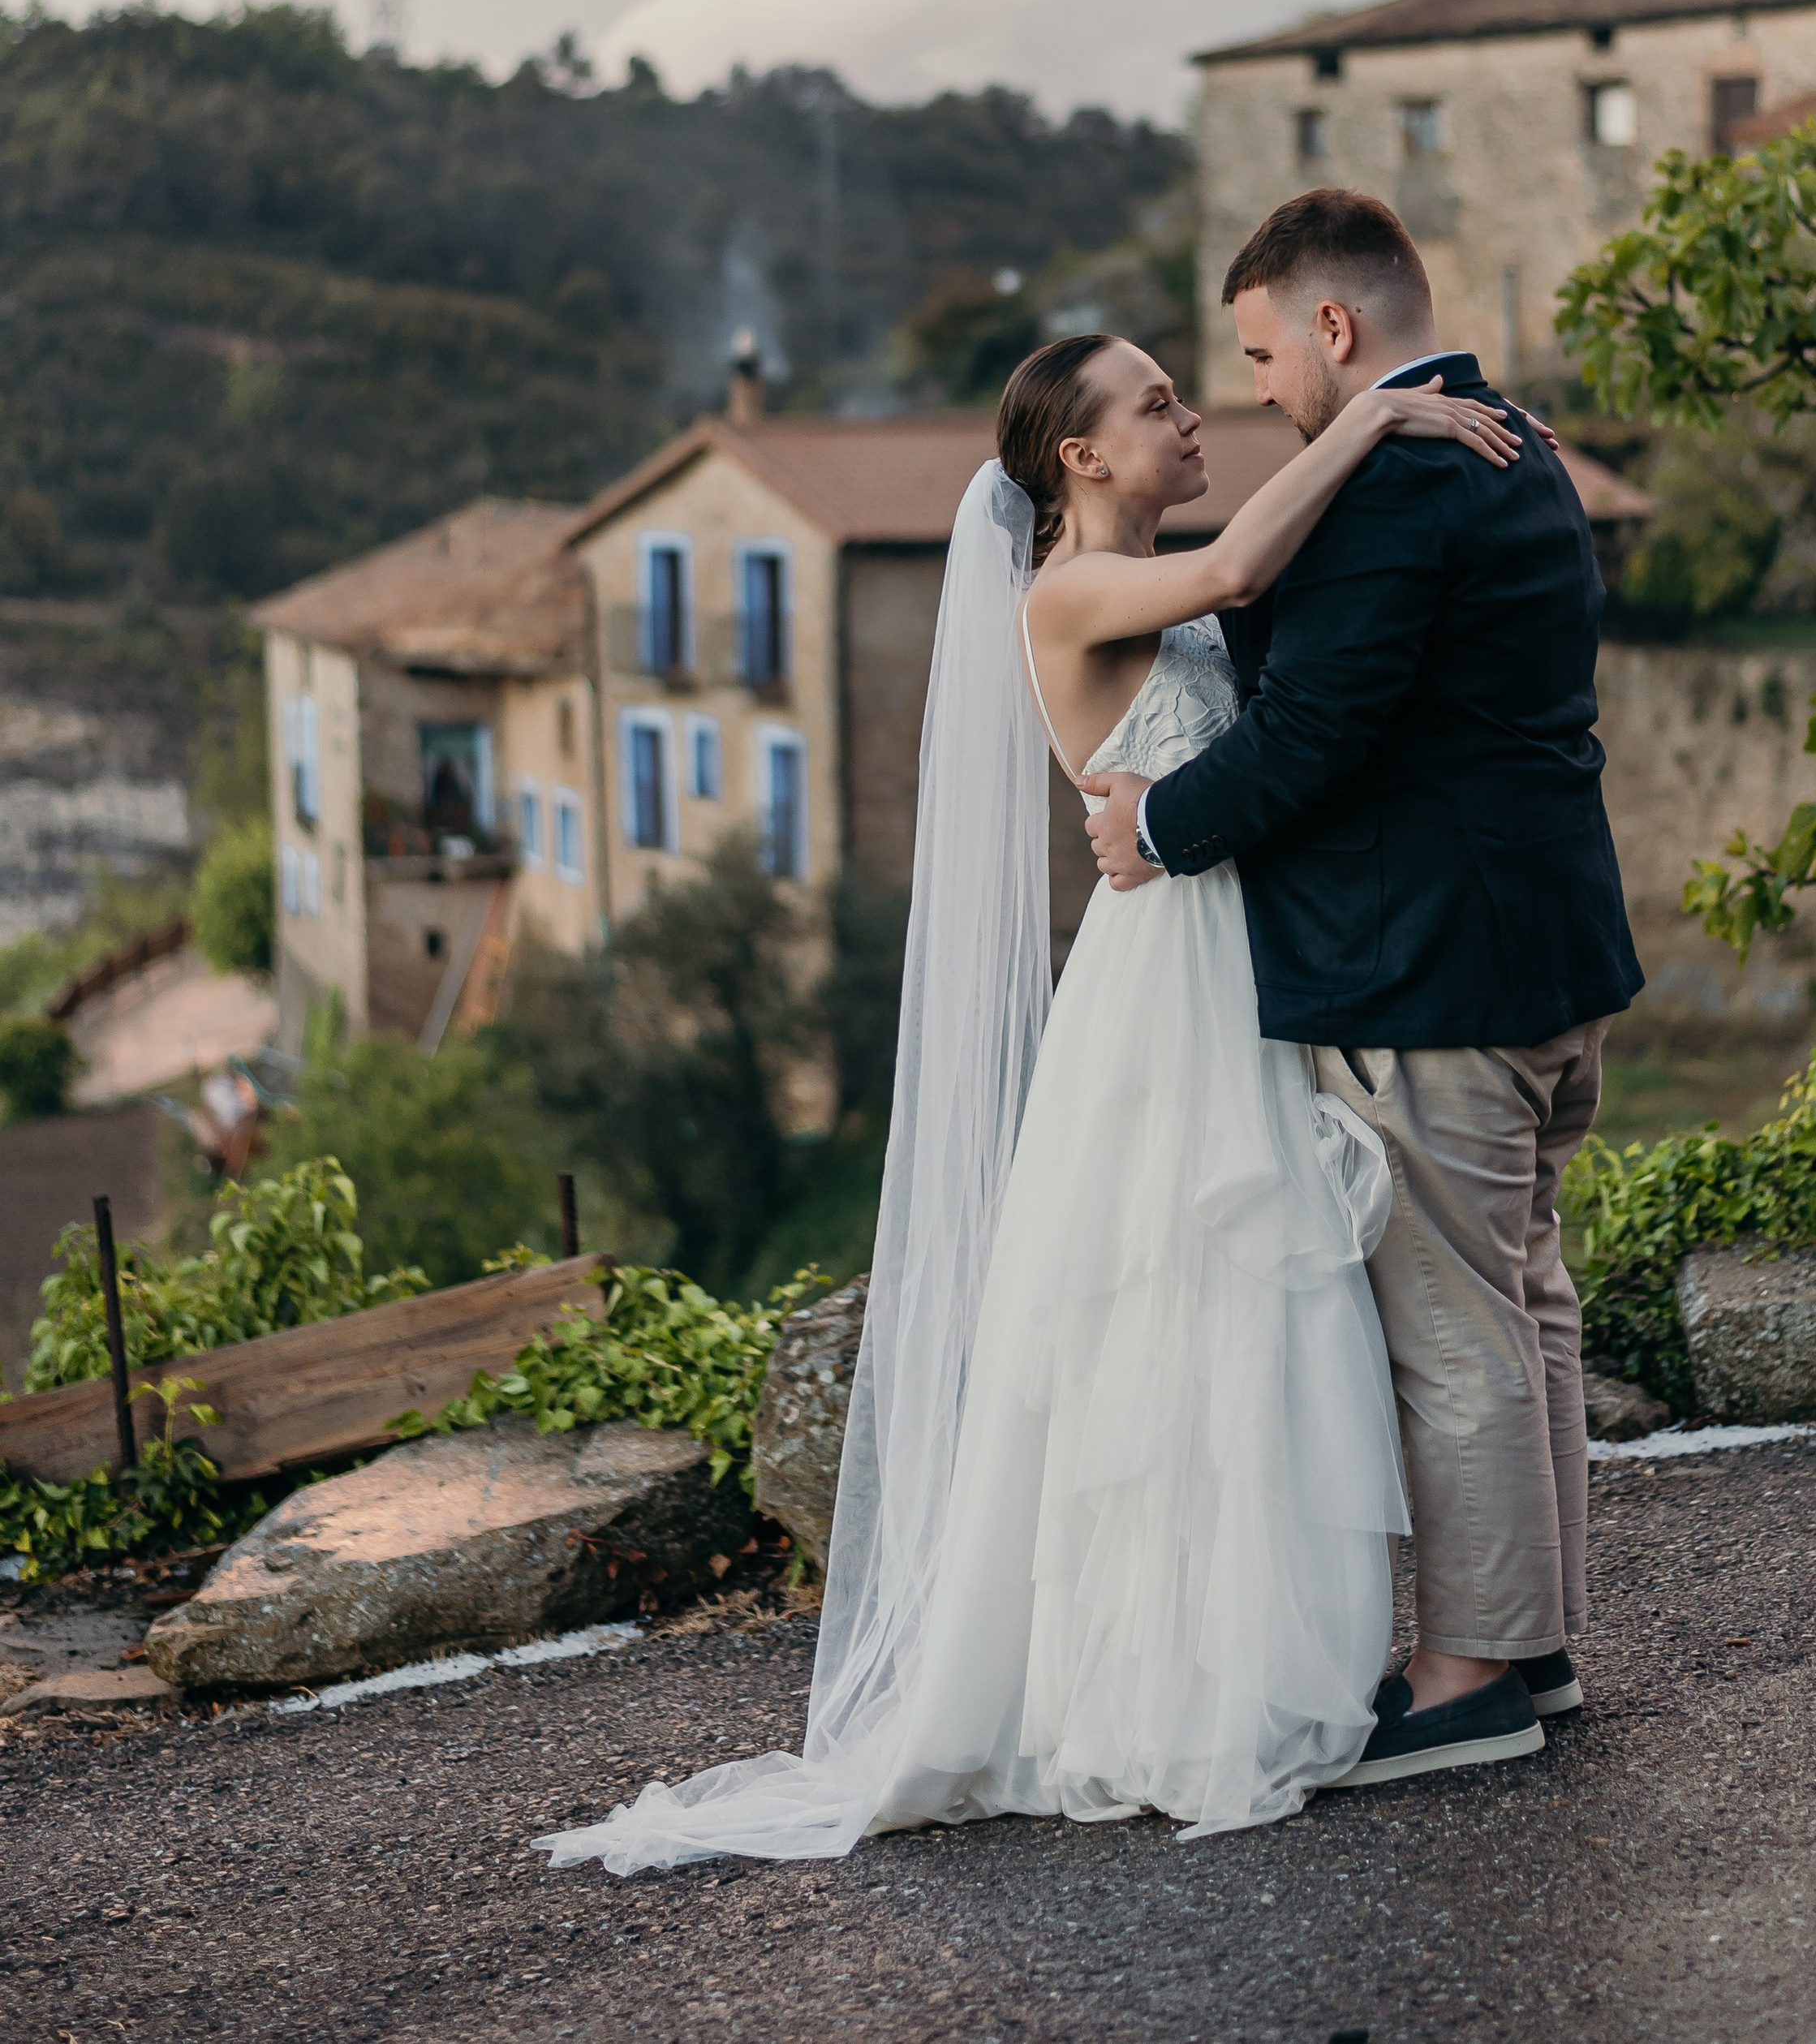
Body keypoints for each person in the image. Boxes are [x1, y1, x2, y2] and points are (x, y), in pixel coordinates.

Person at [540, 329, 1520, 1871]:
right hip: (1161, 994)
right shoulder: (1064, 589)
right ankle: (1161, 1695)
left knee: (1241, 1324)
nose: (1192, 415)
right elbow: (1251, 575)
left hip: (1231, 969)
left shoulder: (1155, 565)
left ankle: (1250, 1663)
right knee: (1165, 1316)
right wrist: (1380, 419)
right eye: (1157, 403)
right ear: (1079, 456)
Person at [1086, 186, 1642, 1782]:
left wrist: (1159, 826)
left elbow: (1314, 732)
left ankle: (1465, 1672)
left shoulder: (1392, 488)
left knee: (1454, 1328)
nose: (1259, 388)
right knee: (1524, 1298)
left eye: (1262, 352)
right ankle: (1527, 1642)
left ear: (1334, 326)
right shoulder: (1515, 444)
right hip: (1543, 949)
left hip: (1430, 975)